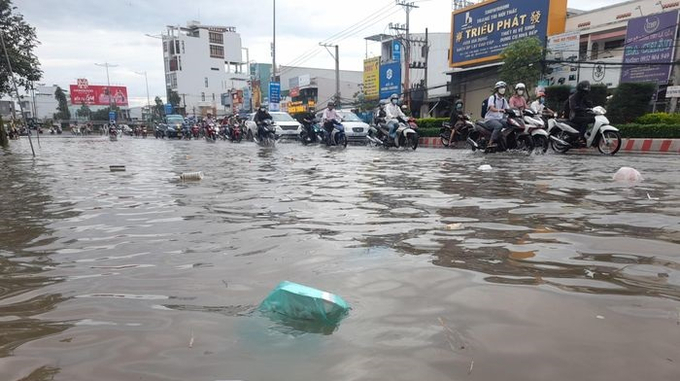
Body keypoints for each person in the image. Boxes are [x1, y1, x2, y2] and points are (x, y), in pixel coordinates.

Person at [484, 81, 510, 148]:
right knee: (499, 126)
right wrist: (499, 110)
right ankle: (490, 143)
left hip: (499, 119)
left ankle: (504, 140)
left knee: (509, 124)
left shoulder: (504, 100)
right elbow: (491, 108)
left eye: (504, 87)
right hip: (490, 119)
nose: (503, 89)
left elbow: (508, 109)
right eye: (501, 87)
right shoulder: (492, 97)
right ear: (497, 89)